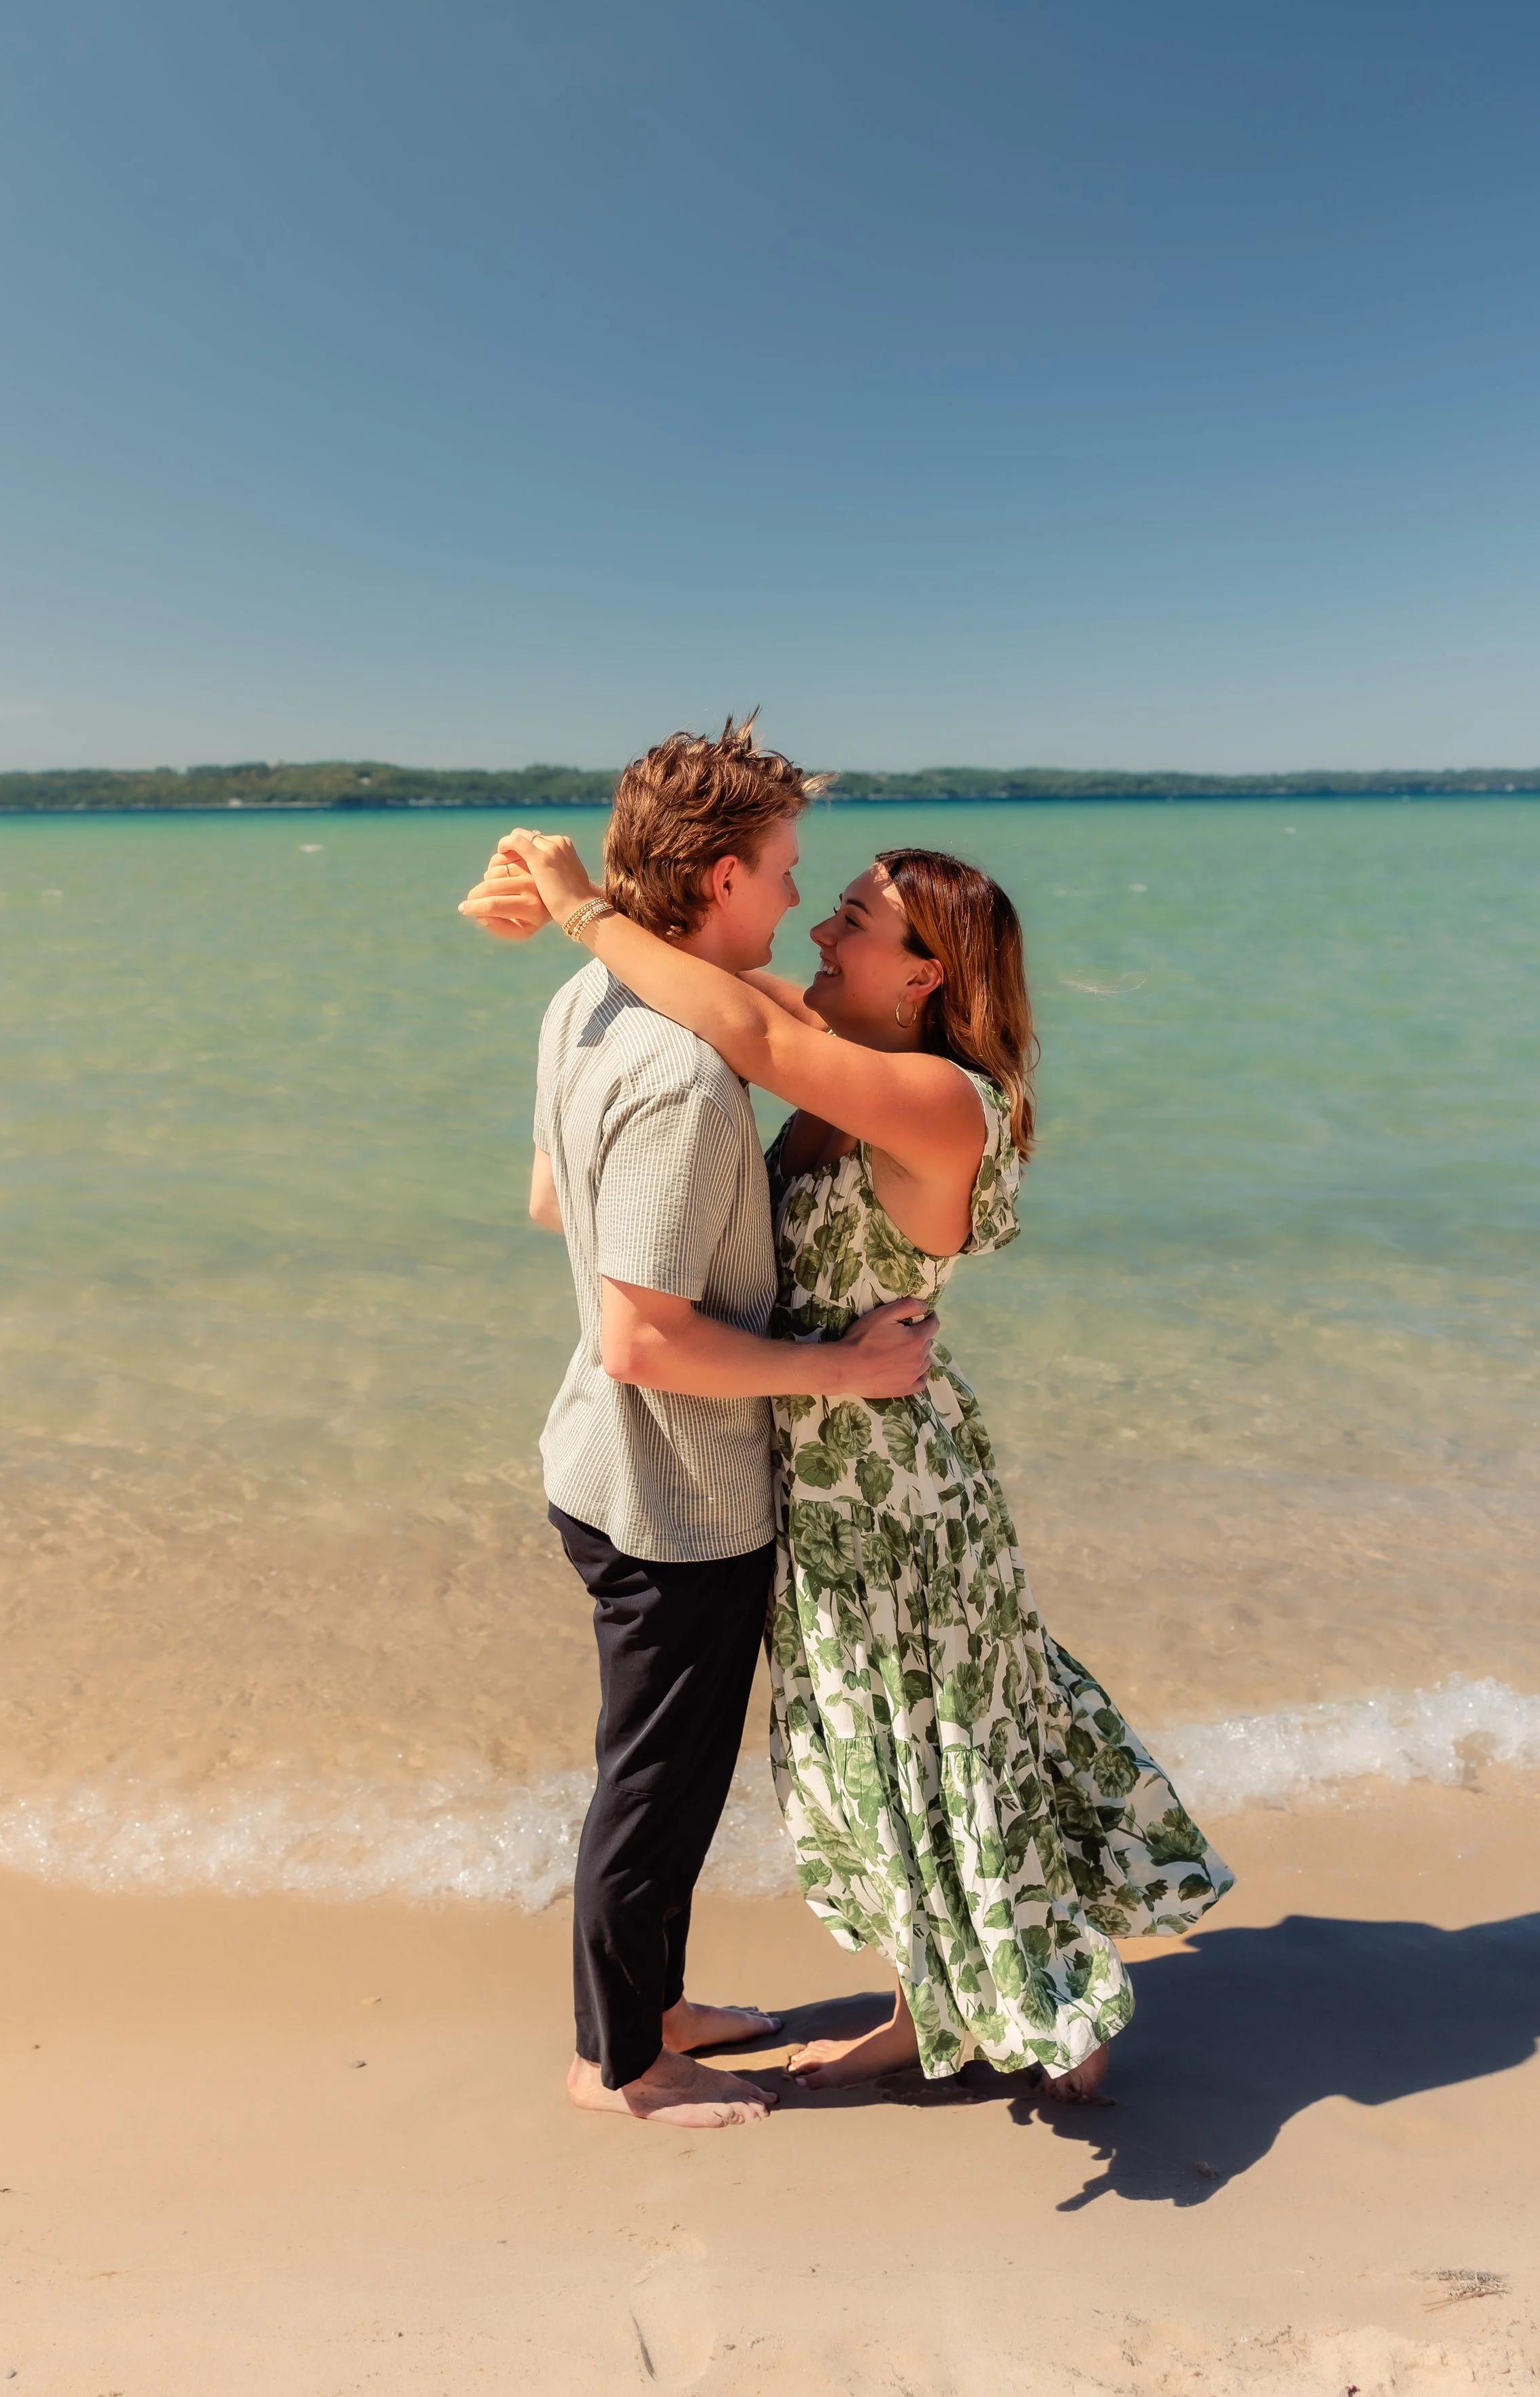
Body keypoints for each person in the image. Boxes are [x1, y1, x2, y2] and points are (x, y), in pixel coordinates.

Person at [465, 811, 1233, 2099]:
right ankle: (928, 2006)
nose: (819, 925)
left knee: (952, 1737)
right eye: (819, 898)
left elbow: (745, 1028)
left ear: (925, 974)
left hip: (897, 1483)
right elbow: (707, 980)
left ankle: (1061, 2011)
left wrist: (580, 903)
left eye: (856, 921)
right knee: (877, 1747)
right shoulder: (843, 1052)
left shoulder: (938, 1100)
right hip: (823, 1473)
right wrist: (567, 909)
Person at [497, 720, 941, 2131]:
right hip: (669, 1491)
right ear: (723, 880)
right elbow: (644, 1339)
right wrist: (841, 1369)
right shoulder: (687, 1075)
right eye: (787, 869)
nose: (800, 899)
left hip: (596, 1459)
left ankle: (654, 2002)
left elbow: (552, 1201)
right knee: (656, 1785)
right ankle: (620, 2062)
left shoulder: (585, 999)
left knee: (663, 1772)